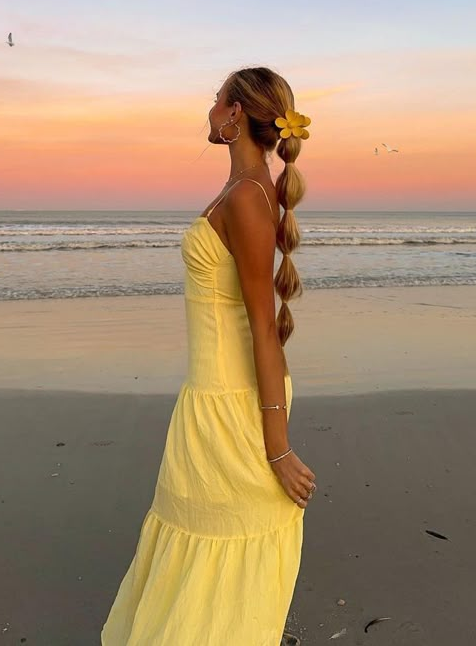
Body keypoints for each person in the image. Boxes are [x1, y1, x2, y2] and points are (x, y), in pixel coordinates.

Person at [100, 66, 316, 645]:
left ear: (237, 113)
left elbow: (263, 328)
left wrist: (277, 448)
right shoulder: (242, 191)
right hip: (217, 396)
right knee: (196, 537)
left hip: (232, 405)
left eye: (215, 101)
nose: (209, 111)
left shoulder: (247, 198)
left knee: (220, 538)